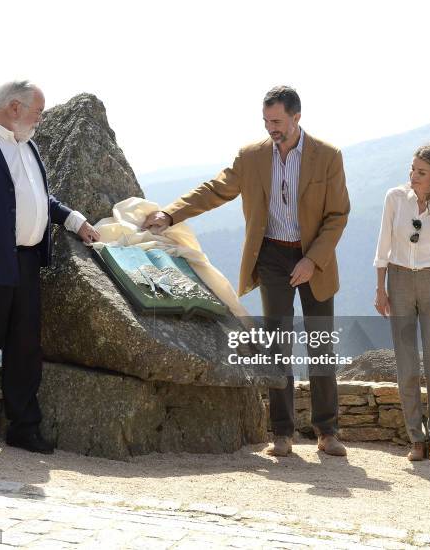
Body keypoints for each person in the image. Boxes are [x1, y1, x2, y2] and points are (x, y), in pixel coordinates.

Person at [143, 85, 350, 457]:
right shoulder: (252, 156)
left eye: (277, 121)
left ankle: (327, 431)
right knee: (277, 345)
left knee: (320, 345)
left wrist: (312, 259)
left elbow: (338, 215)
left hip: (314, 259)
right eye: (266, 121)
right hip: (271, 257)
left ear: (296, 117)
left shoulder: (328, 156)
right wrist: (170, 213)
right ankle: (282, 433)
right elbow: (215, 189)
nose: (271, 127)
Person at [0, 81, 100, 454]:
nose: (40, 119)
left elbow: (39, 197)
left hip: (26, 262)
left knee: (25, 348)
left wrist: (73, 219)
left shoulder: (26, 143)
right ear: (14, 107)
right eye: (37, 111)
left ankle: (24, 428)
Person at [374, 145, 430, 462]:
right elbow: (382, 244)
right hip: (397, 281)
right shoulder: (394, 197)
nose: (413, 176)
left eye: (421, 172)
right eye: (412, 169)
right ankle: (417, 440)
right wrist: (380, 289)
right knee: (406, 364)